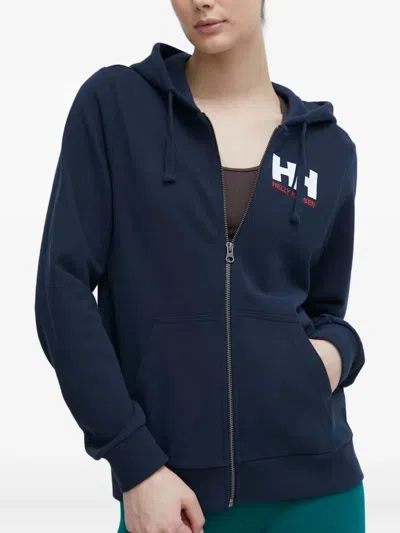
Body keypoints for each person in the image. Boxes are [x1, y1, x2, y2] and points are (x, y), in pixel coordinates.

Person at [34, 0, 366, 532]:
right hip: (172, 498)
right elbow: (61, 291)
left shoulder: (329, 150)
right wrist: (135, 463)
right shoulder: (116, 106)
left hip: (318, 492)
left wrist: (339, 352)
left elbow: (326, 308)